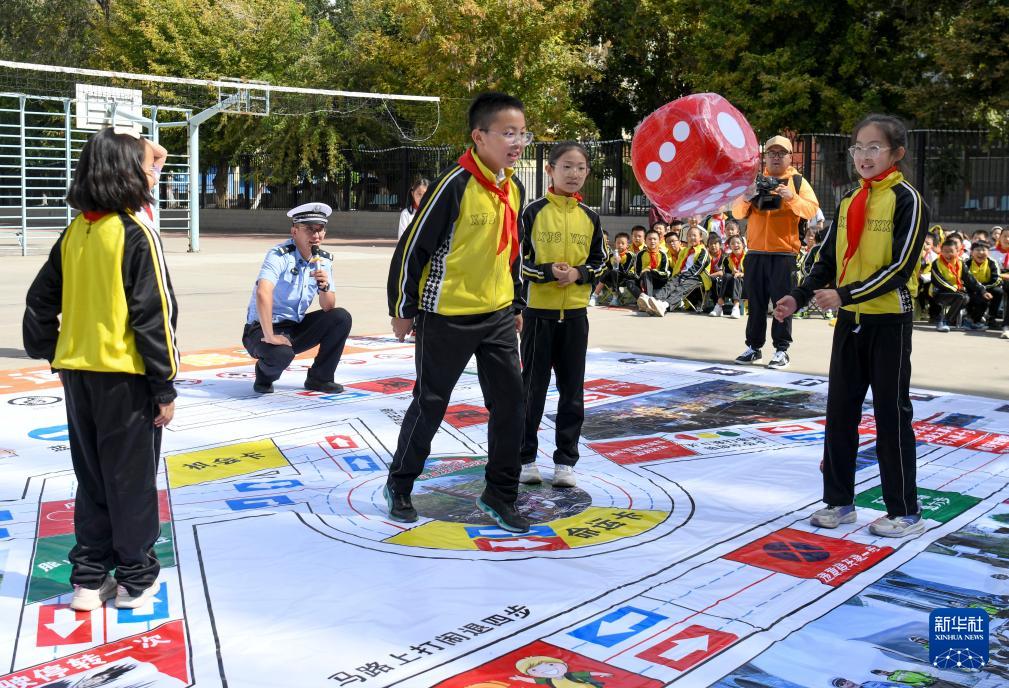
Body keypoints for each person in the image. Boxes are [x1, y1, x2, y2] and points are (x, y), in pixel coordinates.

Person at [23, 127, 179, 611]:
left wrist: (54, 349)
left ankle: (88, 580)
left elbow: (39, 300)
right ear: (126, 172)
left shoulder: (76, 232)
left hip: (79, 376)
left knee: (92, 479)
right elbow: (154, 318)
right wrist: (165, 386)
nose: (150, 167)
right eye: (142, 163)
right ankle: (135, 578)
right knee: (130, 481)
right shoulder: (135, 234)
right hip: (126, 378)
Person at [775, 114, 929, 538]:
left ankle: (904, 510)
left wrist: (845, 295)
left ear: (896, 153)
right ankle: (839, 502)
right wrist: (799, 295)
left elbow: (899, 268)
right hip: (850, 323)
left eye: (874, 147)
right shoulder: (847, 200)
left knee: (890, 416)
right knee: (840, 414)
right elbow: (826, 261)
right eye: (858, 148)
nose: (864, 156)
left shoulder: (907, 200)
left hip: (888, 323)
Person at [385, 92, 530, 533]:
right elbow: (411, 249)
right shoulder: (454, 185)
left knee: (511, 404)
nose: (517, 141)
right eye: (507, 133)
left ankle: (500, 493)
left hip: (499, 316)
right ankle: (401, 483)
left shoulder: (514, 187)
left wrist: (517, 303)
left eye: (522, 133)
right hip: (445, 315)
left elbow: (513, 252)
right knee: (431, 402)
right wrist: (402, 308)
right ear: (478, 136)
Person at [519, 142, 605, 489]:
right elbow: (516, 261)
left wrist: (579, 274)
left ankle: (565, 462)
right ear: (550, 170)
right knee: (531, 391)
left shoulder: (591, 217)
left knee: (572, 391)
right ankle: (525, 458)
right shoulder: (532, 212)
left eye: (581, 168)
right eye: (567, 167)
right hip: (538, 315)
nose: (574, 174)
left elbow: (600, 261)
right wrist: (546, 273)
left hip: (574, 317)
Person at [243, 203, 352, 394]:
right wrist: (269, 335)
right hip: (262, 328)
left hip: (294, 327)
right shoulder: (279, 255)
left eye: (320, 229)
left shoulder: (323, 261)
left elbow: (328, 306)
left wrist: (324, 286)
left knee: (340, 317)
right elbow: (263, 292)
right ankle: (264, 374)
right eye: (309, 229)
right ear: (294, 232)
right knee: (282, 354)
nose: (316, 236)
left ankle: (320, 378)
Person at [732, 134, 820, 369]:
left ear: (791, 157)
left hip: (784, 254)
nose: (776, 157)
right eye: (772, 153)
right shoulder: (756, 181)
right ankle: (754, 347)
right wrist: (748, 196)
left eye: (782, 153)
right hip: (755, 253)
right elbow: (737, 213)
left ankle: (782, 350)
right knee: (756, 304)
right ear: (765, 157)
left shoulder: (798, 182)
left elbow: (812, 211)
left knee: (782, 304)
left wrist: (791, 198)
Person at [644, 226, 710, 316]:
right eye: (689, 236)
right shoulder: (685, 251)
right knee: (670, 283)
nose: (692, 238)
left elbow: (699, 267)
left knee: (682, 287)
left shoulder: (703, 251)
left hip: (698, 277)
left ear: (700, 237)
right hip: (683, 275)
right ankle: (655, 300)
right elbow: (678, 267)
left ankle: (665, 305)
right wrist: (676, 277)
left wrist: (685, 276)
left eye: (694, 235)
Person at [931, 237, 988, 332]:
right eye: (945, 251)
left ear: (958, 251)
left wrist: (982, 290)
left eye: (951, 251)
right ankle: (944, 322)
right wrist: (955, 289)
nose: (948, 254)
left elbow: (970, 279)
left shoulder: (960, 263)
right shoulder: (936, 263)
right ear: (941, 251)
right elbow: (939, 281)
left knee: (979, 298)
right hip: (940, 292)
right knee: (962, 297)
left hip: (957, 292)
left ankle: (969, 321)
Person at [629, 228, 672, 314]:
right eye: (649, 239)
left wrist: (651, 271)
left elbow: (664, 273)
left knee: (647, 272)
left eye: (655, 239)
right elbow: (637, 272)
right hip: (643, 279)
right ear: (645, 241)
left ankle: (648, 301)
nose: (652, 241)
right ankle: (647, 301)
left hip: (658, 280)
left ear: (659, 240)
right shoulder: (640, 254)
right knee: (629, 282)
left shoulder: (663, 254)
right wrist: (642, 275)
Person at [964, 240, 1002, 330]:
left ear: (988, 252)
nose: (981, 253)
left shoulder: (992, 262)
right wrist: (979, 289)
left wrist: (983, 288)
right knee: (978, 297)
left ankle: (991, 318)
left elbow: (996, 279)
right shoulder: (966, 263)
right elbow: (965, 279)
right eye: (977, 250)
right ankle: (971, 319)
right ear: (972, 252)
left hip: (988, 287)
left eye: (984, 250)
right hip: (971, 288)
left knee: (998, 292)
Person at [712, 234, 746, 318]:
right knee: (727, 276)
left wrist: (741, 274)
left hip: (745, 285)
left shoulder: (748, 257)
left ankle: (736, 307)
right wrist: (734, 273)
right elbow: (726, 274)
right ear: (730, 246)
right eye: (733, 243)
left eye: (738, 243)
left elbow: (753, 274)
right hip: (731, 286)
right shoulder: (727, 259)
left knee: (737, 277)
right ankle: (719, 306)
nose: (735, 245)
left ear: (743, 245)